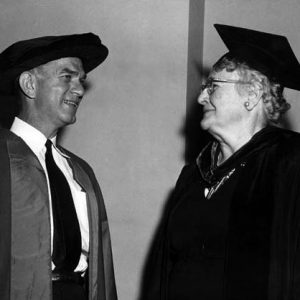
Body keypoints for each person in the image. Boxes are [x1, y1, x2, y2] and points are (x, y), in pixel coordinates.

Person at [140, 24, 300, 300]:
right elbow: (162, 272)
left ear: (251, 95)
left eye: (212, 86)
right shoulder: (192, 175)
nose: (201, 97)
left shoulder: (290, 162)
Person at [0, 33, 117, 300]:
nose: (79, 90)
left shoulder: (81, 172)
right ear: (29, 84)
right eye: (67, 77)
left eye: (81, 81)